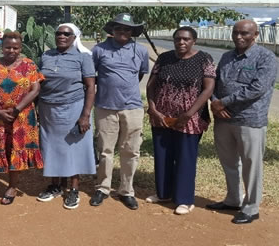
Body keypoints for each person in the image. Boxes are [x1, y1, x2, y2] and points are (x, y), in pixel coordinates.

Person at [208, 19, 277, 224]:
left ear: (255, 35)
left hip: (250, 119)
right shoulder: (227, 56)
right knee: (229, 162)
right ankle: (233, 199)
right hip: (223, 119)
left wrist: (223, 102)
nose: (239, 37)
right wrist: (215, 103)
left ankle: (251, 207)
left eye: (245, 33)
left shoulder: (266, 58)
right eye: (236, 32)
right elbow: (215, 83)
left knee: (251, 164)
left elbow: (258, 88)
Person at [145, 26, 215, 215]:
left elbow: (208, 89)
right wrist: (152, 108)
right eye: (178, 39)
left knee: (185, 157)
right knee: (163, 155)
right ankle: (163, 193)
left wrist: (189, 113)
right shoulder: (165, 58)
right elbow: (151, 84)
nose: (181, 42)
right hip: (162, 116)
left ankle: (184, 199)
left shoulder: (204, 59)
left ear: (194, 41)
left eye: (186, 39)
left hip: (190, 118)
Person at [0, 32, 44, 205]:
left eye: (15, 47)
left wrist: (17, 109)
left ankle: (12, 187)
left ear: (20, 48)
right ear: (1, 48)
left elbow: (35, 90)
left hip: (21, 117)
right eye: (7, 47)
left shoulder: (29, 65)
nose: (11, 50)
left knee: (16, 150)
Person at [90, 13, 151, 211]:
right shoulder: (99, 50)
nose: (122, 32)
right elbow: (93, 75)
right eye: (119, 28)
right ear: (112, 30)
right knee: (105, 150)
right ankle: (103, 188)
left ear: (132, 31)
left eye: (127, 29)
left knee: (130, 150)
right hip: (105, 107)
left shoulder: (141, 51)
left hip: (132, 107)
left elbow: (140, 74)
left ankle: (126, 191)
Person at [36, 23, 96, 210]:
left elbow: (91, 87)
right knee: (51, 148)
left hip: (73, 108)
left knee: (73, 149)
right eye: (58, 33)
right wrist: (36, 109)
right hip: (48, 110)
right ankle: (56, 186)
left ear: (74, 37)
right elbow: (38, 84)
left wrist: (85, 115)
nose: (61, 36)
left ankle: (73, 189)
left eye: (66, 34)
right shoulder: (46, 56)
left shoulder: (83, 57)